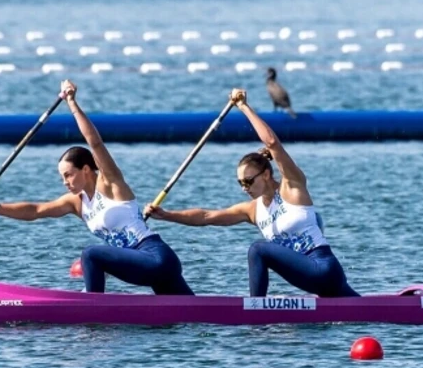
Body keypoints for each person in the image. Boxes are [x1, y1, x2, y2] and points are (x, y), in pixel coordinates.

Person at [0, 80, 194, 296]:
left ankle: (92, 306)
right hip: (142, 266)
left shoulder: (111, 183)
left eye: (68, 175)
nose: (65, 182)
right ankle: (95, 302)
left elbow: (94, 142)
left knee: (91, 254)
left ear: (86, 169)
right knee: (193, 314)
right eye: (62, 178)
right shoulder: (76, 202)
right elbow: (35, 211)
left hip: (157, 257)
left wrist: (71, 103)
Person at [146, 88, 358, 298]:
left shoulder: (292, 187)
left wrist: (243, 107)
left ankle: (255, 311)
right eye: (240, 183)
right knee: (366, 310)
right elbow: (206, 217)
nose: (244, 188)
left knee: (258, 249)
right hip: (315, 281)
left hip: (324, 267)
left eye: (248, 181)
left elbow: (272, 143)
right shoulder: (252, 210)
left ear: (266, 174)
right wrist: (166, 215)